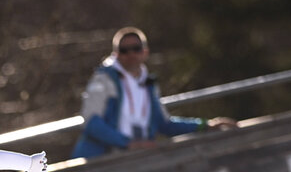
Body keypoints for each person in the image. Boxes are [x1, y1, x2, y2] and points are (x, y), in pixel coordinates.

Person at [71, 27, 238, 159]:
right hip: (103, 162)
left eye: (136, 48)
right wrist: (128, 144)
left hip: (139, 160)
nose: (130, 54)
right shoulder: (102, 79)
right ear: (116, 54)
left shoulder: (148, 84)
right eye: (124, 50)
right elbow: (91, 122)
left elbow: (164, 124)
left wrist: (205, 125)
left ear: (145, 52)